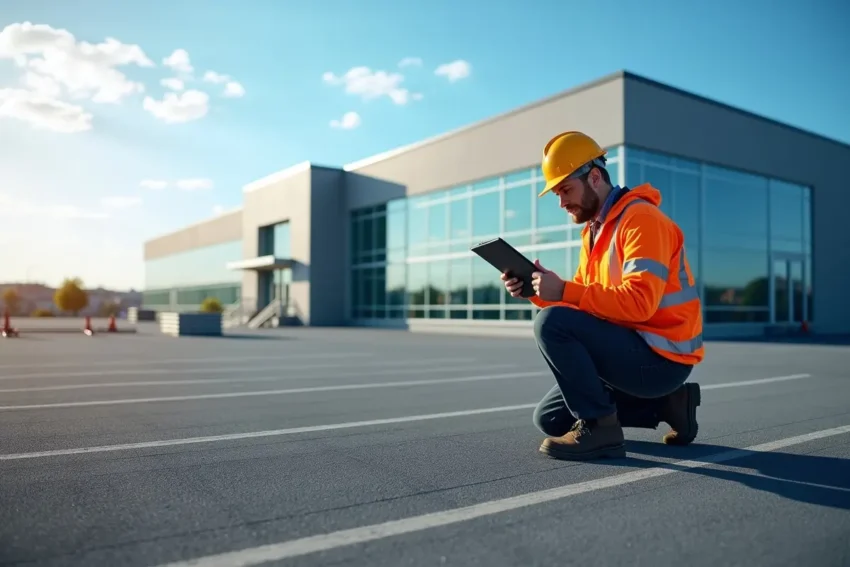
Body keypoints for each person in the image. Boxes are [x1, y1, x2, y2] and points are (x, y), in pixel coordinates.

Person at [501, 131, 704, 461]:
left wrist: (562, 292)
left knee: (551, 324)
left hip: (662, 357)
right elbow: (584, 303)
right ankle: (668, 403)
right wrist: (537, 293)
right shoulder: (594, 231)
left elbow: (639, 304)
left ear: (594, 177)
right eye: (556, 193)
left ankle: (601, 429)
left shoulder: (641, 220)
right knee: (550, 419)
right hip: (629, 349)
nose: (561, 202)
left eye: (565, 189)